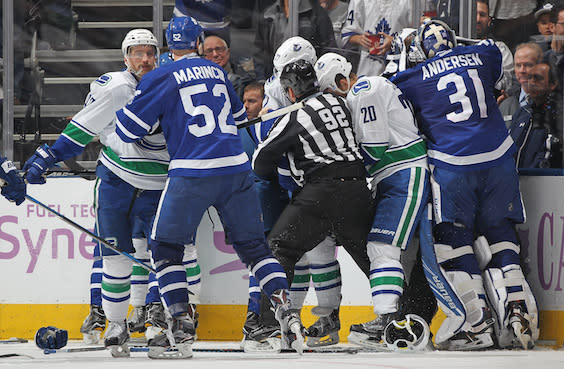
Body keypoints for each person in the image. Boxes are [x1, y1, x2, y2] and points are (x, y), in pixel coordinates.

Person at [114, 16, 304, 358]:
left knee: (165, 248)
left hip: (192, 171)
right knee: (256, 249)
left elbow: (128, 131)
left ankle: (181, 326)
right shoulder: (216, 71)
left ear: (168, 46)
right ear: (198, 43)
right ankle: (287, 312)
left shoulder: (159, 76)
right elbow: (239, 118)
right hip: (235, 168)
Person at [392, 20, 539, 351]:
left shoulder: (412, 77)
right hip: (499, 160)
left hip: (453, 166)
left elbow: (391, 91)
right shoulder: (481, 55)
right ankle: (517, 312)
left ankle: (478, 323)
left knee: (452, 241)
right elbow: (493, 48)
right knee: (501, 233)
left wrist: (403, 52)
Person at [22, 29, 168, 357]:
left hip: (159, 185)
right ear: (125, 57)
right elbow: (82, 128)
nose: (145, 59)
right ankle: (116, 324)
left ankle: (160, 318)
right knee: (114, 255)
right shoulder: (117, 87)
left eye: (150, 52)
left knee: (165, 254)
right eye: (137, 52)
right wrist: (49, 155)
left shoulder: (167, 85)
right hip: (116, 181)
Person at [314, 52, 434, 350]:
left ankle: (391, 320)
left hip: (403, 174)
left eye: (331, 90)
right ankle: (393, 316)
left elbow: (376, 147)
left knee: (382, 248)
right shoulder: (365, 91)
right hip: (393, 176)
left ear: (342, 80)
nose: (331, 99)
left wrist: (340, 169)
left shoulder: (363, 90)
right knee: (395, 255)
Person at [251, 59, 373, 348]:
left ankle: (274, 325)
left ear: (290, 93)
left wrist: (272, 126)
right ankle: (401, 317)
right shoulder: (340, 103)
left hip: (321, 193)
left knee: (280, 247)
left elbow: (259, 163)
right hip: (358, 189)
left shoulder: (294, 116)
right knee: (374, 258)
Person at [254, 0, 336, 78]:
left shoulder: (317, 14)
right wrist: (262, 81)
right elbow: (260, 54)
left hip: (308, 82)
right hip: (276, 81)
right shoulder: (269, 15)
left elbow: (328, 51)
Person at [509, 62, 563, 169]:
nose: (532, 82)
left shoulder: (560, 114)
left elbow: (552, 154)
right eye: (530, 77)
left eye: (538, 78)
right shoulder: (522, 112)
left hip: (544, 181)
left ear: (553, 84)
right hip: (515, 180)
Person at [341, 0, 413, 76]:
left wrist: (395, 41)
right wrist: (358, 38)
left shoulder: (409, 2)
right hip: (366, 67)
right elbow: (347, 33)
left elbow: (417, 37)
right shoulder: (359, 1)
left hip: (398, 68)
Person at [475, 0, 514, 103]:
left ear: (489, 20)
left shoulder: (500, 49)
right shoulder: (456, 47)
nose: (478, 19)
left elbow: (505, 83)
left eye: (482, 15)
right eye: (474, 14)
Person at [500, 42, 543, 127]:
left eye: (527, 65)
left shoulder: (548, 103)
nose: (522, 70)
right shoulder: (506, 105)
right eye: (518, 65)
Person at [202, 34, 257, 99]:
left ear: (228, 52)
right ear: (202, 56)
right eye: (209, 51)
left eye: (219, 49)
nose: (215, 54)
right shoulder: (198, 81)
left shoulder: (245, 78)